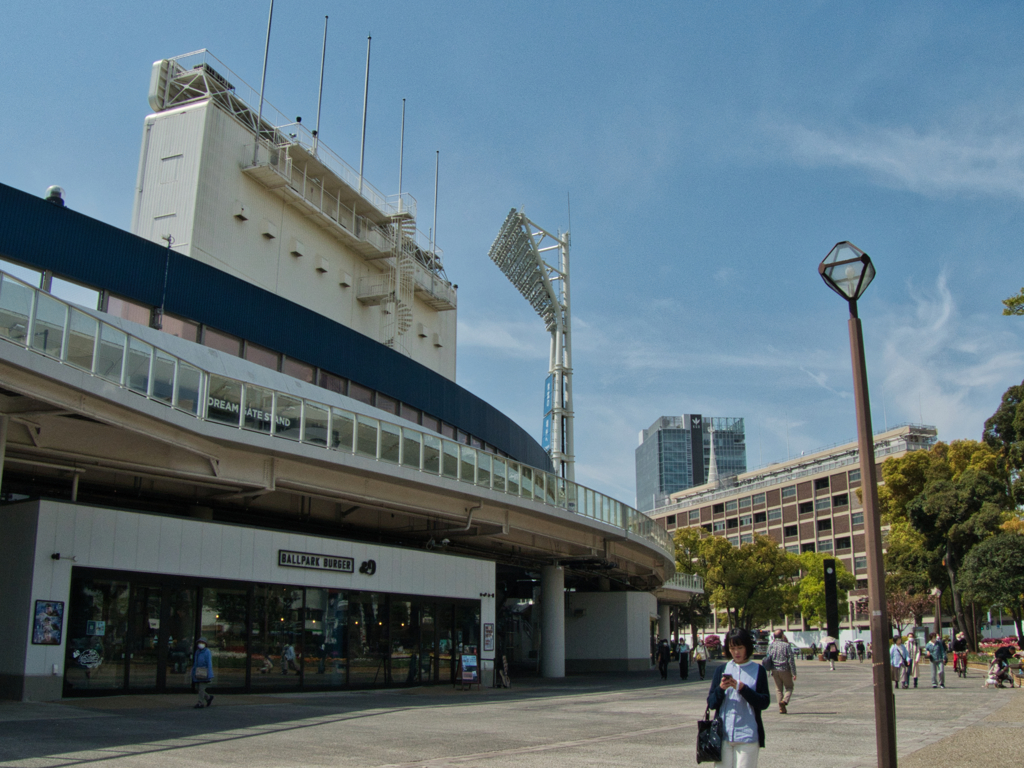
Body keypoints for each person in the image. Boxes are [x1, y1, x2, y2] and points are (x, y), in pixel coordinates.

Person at [706, 627, 771, 768]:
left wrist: (743, 689)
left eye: (740, 648)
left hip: (747, 735)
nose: (736, 652)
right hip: (723, 735)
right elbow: (711, 703)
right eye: (732, 648)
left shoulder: (758, 670)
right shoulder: (721, 670)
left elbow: (764, 702)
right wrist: (721, 689)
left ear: (747, 647)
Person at [766, 629, 797, 714]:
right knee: (789, 687)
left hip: (774, 670)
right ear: (782, 635)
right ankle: (784, 701)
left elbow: (768, 657)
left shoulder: (771, 645)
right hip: (785, 669)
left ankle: (781, 708)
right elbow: (791, 660)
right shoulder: (786, 645)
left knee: (778, 689)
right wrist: (794, 673)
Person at [191, 636, 214, 708]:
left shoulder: (207, 652)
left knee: (201, 688)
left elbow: (209, 663)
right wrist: (193, 672)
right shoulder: (197, 652)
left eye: (202, 642)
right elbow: (195, 663)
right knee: (198, 688)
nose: (200, 644)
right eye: (199, 642)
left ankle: (200, 703)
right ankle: (208, 698)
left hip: (204, 672)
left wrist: (209, 674)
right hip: (198, 672)